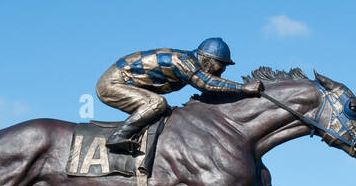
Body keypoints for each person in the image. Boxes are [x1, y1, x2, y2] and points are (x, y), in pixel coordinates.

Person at [96, 38, 262, 153]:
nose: (222, 71)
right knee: (157, 104)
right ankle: (118, 137)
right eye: (220, 65)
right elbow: (207, 84)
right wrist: (243, 88)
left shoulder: (189, 61)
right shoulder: (184, 62)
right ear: (206, 60)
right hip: (112, 84)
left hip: (124, 81)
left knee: (166, 113)